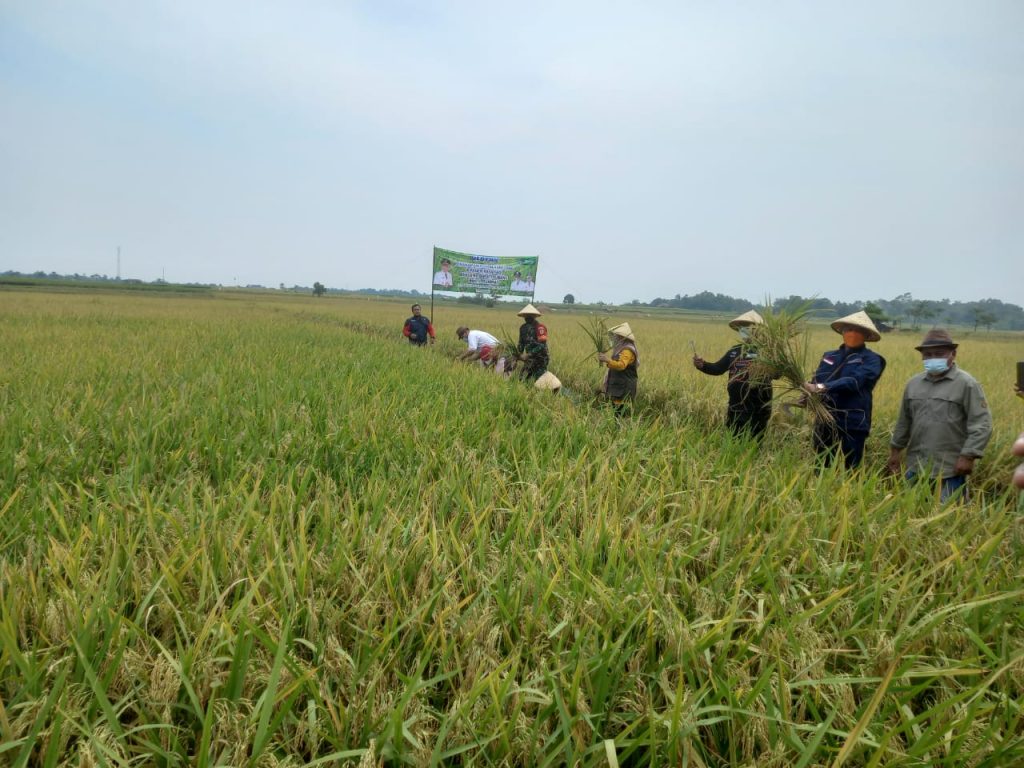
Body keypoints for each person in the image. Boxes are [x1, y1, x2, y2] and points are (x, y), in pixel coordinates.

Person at [886, 329, 993, 501]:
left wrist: (968, 456)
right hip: (915, 465)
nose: (933, 358)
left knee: (947, 517)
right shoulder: (913, 384)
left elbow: (982, 424)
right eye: (928, 354)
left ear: (953, 354)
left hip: (950, 468)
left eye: (939, 353)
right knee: (909, 512)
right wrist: (895, 452)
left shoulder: (967, 384)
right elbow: (904, 421)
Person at [804, 311, 886, 469]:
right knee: (821, 466)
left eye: (858, 331)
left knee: (852, 468)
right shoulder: (829, 356)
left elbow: (854, 381)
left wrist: (820, 388)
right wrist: (808, 392)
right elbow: (818, 378)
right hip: (825, 418)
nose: (853, 334)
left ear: (866, 335)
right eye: (849, 329)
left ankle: (850, 492)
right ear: (842, 332)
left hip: (853, 420)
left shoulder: (872, 360)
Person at [693, 310, 773, 438]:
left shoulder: (767, 352)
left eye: (749, 327)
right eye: (743, 327)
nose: (745, 330)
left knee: (754, 443)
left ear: (758, 330)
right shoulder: (735, 351)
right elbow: (718, 368)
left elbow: (777, 373)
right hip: (736, 407)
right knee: (733, 441)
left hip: (758, 409)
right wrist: (702, 365)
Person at [597, 322, 639, 415]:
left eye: (616, 336)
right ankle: (618, 428)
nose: (614, 338)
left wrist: (607, 360)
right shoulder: (620, 348)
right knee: (616, 412)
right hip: (618, 385)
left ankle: (622, 428)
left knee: (620, 413)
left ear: (622, 337)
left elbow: (621, 365)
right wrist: (605, 360)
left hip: (624, 386)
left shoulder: (627, 350)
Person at [516, 303, 549, 381]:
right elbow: (521, 343)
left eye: (530, 316)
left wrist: (528, 354)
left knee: (540, 379)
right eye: (526, 316)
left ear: (534, 316)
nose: (528, 318)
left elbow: (542, 345)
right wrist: (518, 354)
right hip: (529, 359)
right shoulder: (523, 328)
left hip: (540, 358)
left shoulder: (540, 327)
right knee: (522, 378)